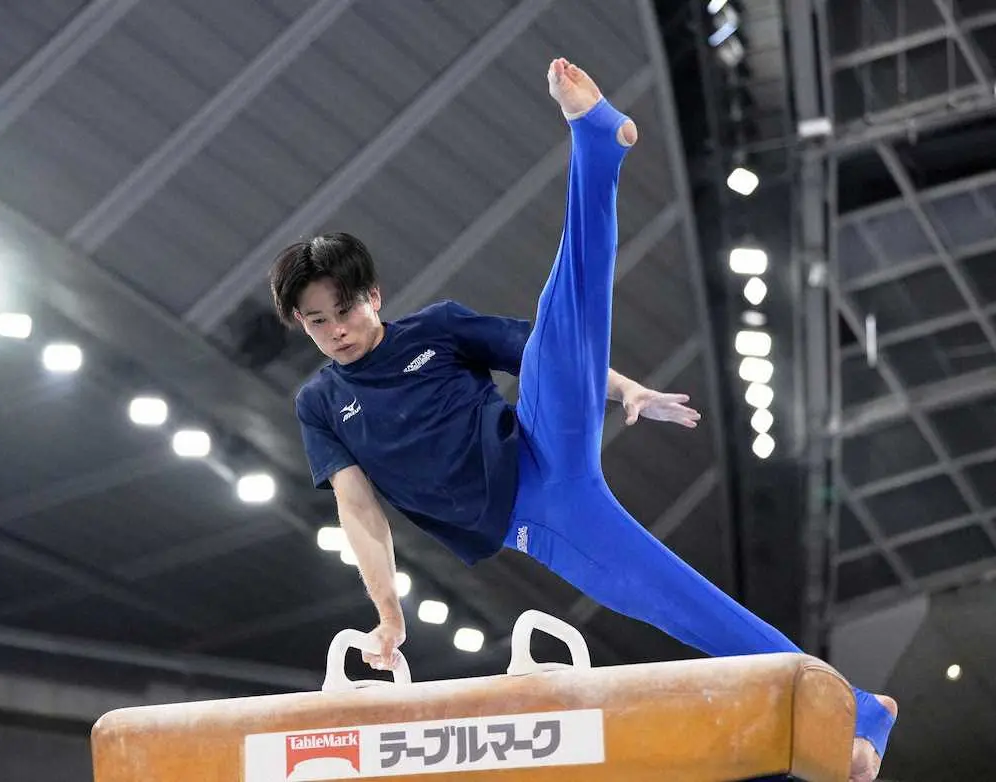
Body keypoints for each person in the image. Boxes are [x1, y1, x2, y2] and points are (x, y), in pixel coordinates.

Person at [269, 58, 897, 782]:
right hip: (545, 517)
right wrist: (389, 612)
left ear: (373, 296)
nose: (335, 331)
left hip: (540, 442)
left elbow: (560, 350)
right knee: (686, 608)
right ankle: (861, 712)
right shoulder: (321, 404)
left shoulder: (438, 329)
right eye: (315, 322)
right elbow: (357, 509)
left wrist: (627, 390)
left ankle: (595, 145)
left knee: (558, 318)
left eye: (344, 310)